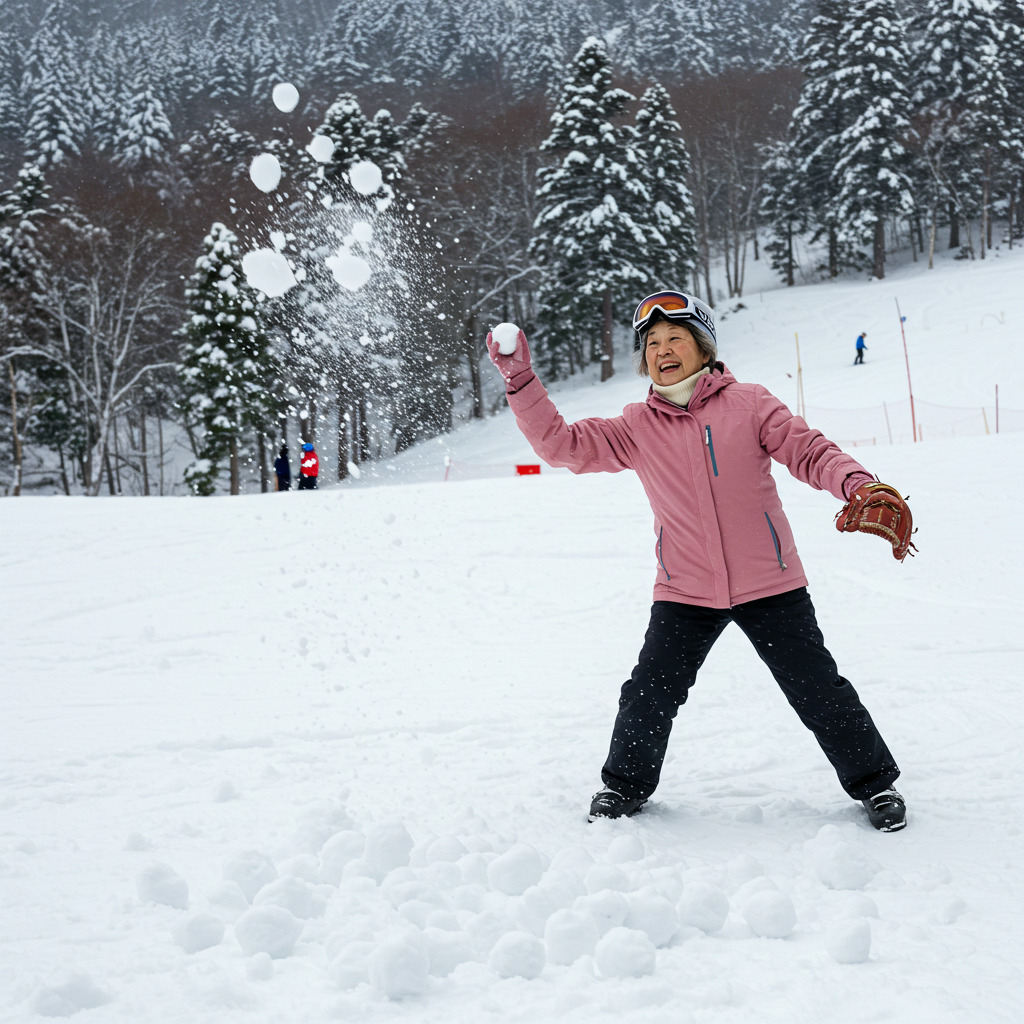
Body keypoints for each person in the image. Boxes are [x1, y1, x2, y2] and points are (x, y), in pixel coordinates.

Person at [485, 291, 910, 832]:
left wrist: (858, 485)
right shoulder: (636, 426)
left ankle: (876, 785)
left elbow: (810, 451)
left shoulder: (751, 403)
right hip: (684, 589)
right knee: (649, 690)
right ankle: (623, 787)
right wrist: (520, 380)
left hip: (769, 582)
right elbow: (562, 445)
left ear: (703, 347)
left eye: (676, 338)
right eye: (653, 342)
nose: (663, 350)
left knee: (816, 686)